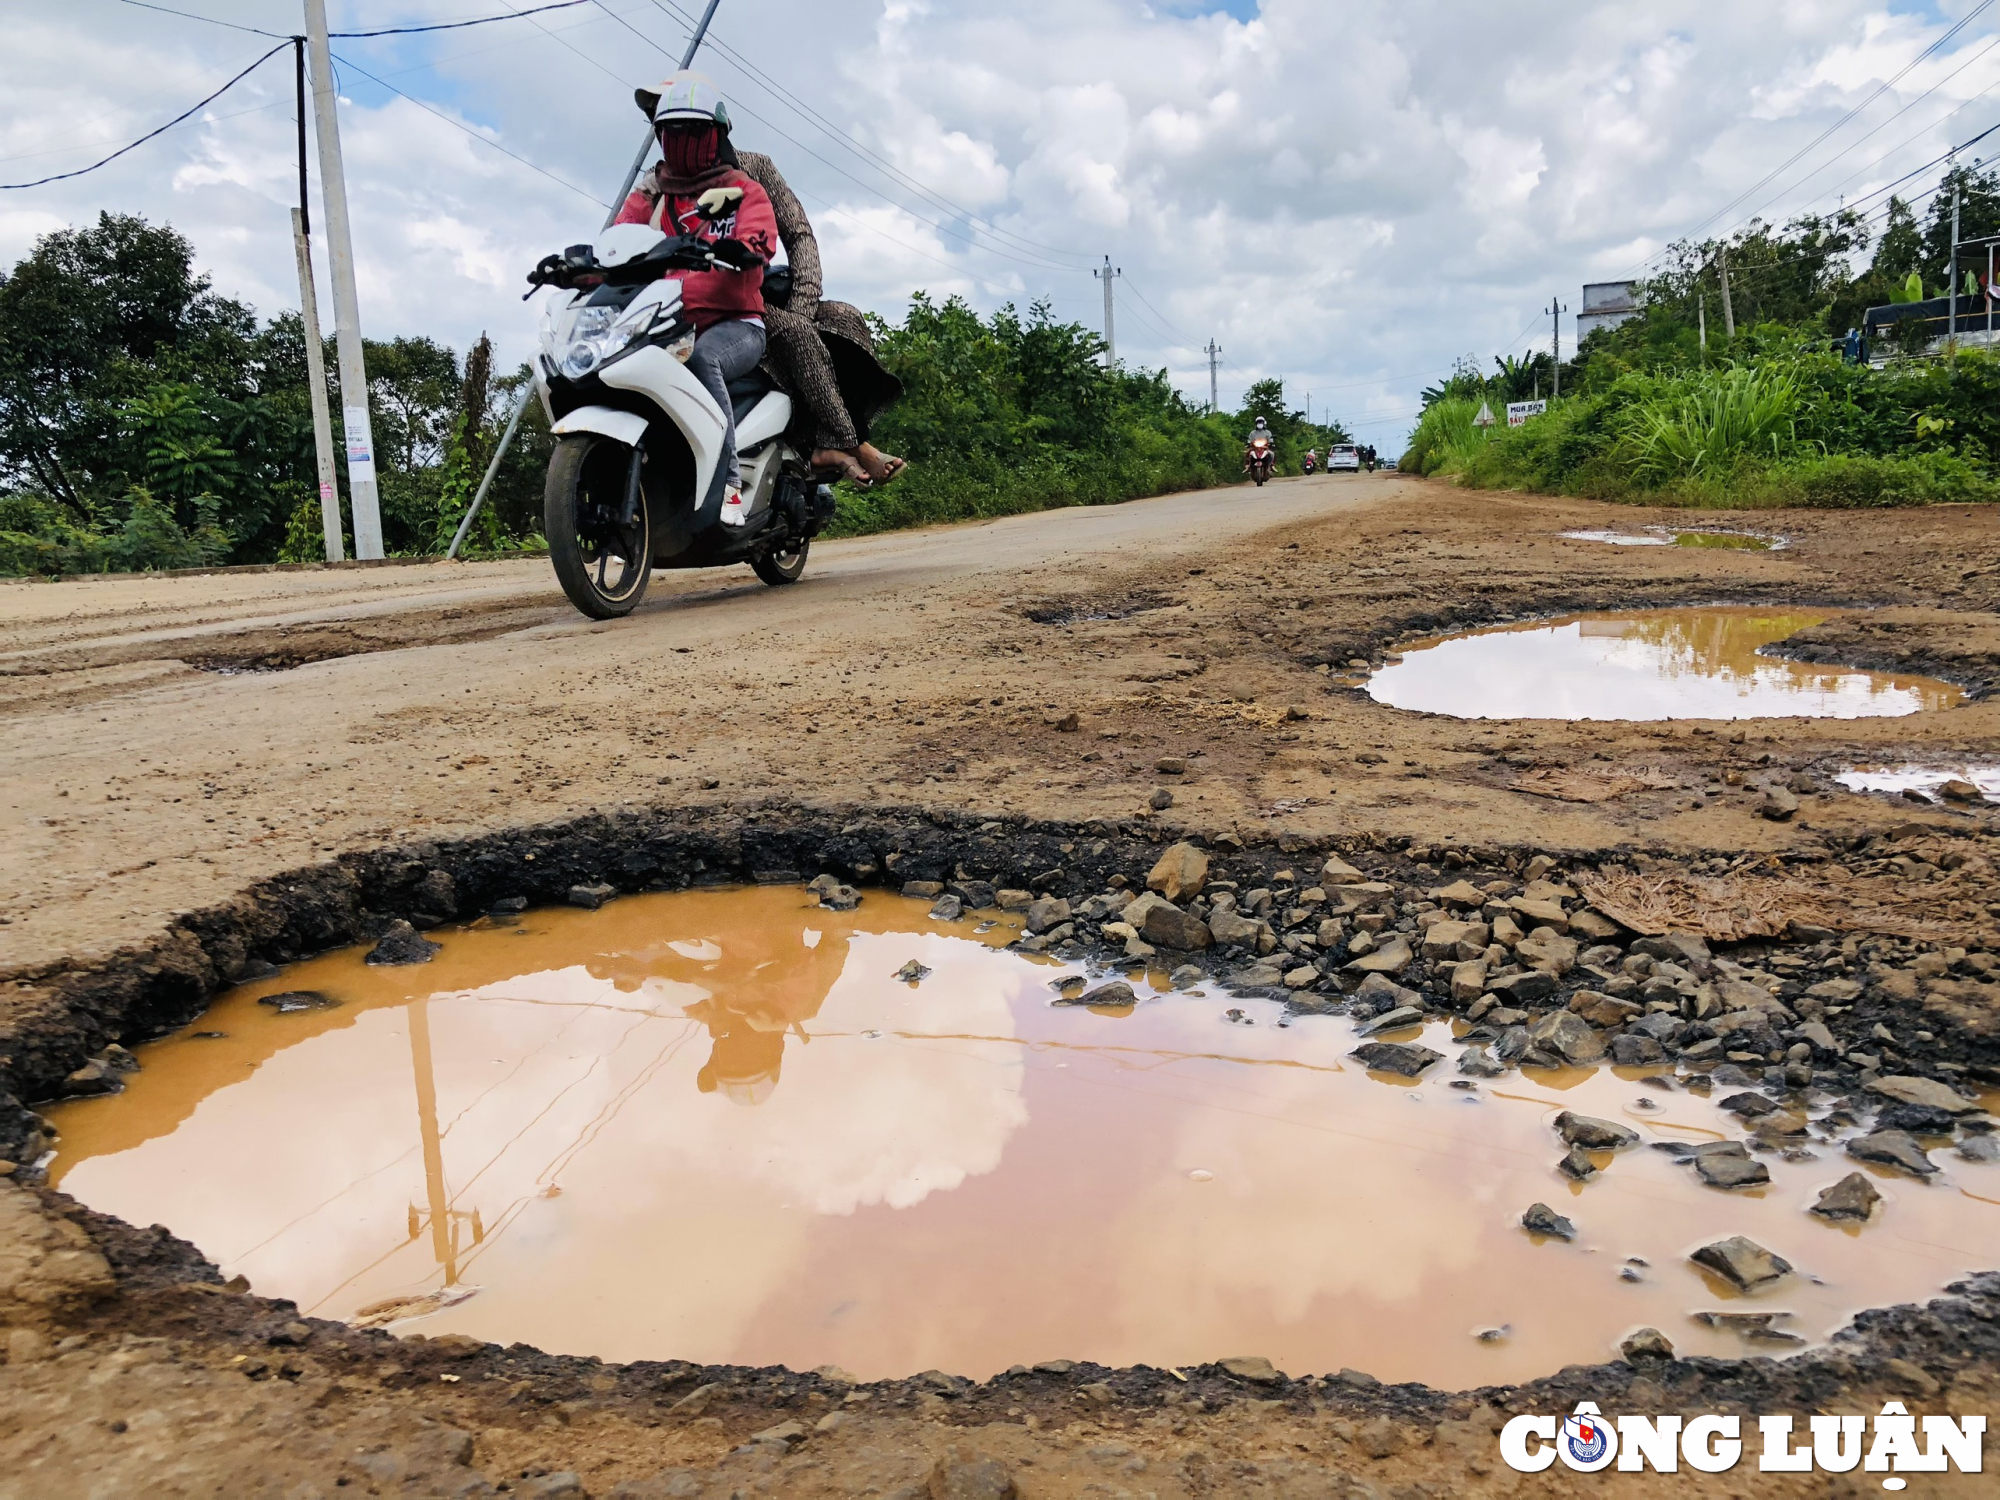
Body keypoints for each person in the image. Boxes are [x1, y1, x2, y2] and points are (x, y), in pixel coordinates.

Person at [615, 73, 776, 526]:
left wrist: (740, 249)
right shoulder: (659, 193)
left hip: (736, 324)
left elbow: (761, 238)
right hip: (670, 322)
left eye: (692, 131)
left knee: (704, 360)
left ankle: (727, 487)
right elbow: (621, 239)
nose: (681, 141)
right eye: (673, 131)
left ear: (713, 135)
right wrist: (585, 263)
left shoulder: (743, 189)